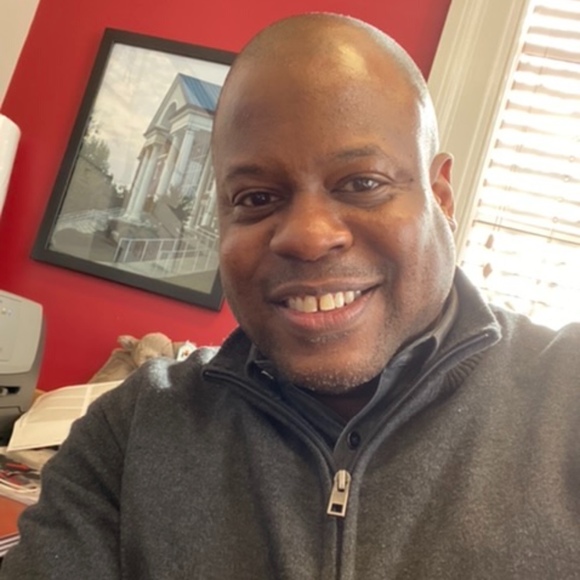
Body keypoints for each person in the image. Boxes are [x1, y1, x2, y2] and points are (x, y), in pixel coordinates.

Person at [2, 13, 580, 579]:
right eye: (255, 198)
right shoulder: (130, 435)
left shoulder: (567, 398)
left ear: (441, 198)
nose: (306, 236)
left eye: (362, 183)